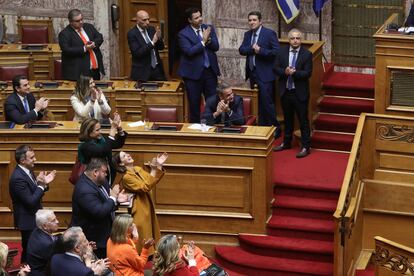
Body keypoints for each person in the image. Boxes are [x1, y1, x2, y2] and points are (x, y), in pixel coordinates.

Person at [71, 158, 129, 259]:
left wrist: (117, 200)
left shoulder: (101, 181)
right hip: (94, 238)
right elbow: (99, 212)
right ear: (95, 172)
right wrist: (113, 197)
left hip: (105, 233)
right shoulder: (84, 190)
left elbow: (106, 200)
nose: (106, 174)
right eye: (104, 172)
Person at [112, 151, 167, 256]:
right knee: (143, 241)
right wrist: (155, 169)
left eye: (127, 153)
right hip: (140, 210)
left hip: (148, 206)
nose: (128, 155)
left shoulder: (137, 169)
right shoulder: (126, 177)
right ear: (121, 164)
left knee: (152, 239)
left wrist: (157, 167)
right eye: (124, 156)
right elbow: (145, 187)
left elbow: (150, 181)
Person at [8, 145, 56, 263]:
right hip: (27, 220)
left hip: (33, 217)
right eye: (32, 157)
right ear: (22, 160)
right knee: (29, 250)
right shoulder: (17, 178)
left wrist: (43, 184)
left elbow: (35, 192)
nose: (35, 159)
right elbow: (30, 201)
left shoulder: (28, 171)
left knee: (34, 249)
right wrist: (41, 185)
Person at [239, 11, 281, 136]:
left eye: (254, 20)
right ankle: (262, 128)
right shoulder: (247, 34)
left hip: (265, 74)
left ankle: (276, 129)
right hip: (252, 73)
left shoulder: (269, 33)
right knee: (258, 103)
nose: (252, 22)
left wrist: (261, 50)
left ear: (260, 21)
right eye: (250, 20)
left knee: (267, 102)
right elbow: (241, 50)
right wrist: (253, 49)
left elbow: (276, 52)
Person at [273, 29, 313, 158]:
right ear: (289, 39)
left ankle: (306, 146)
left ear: (301, 40)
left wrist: (294, 72)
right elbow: (275, 68)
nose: (295, 40)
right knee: (288, 119)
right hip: (286, 91)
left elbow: (308, 73)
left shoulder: (306, 54)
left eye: (297, 38)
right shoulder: (281, 52)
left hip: (299, 92)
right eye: (292, 38)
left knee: (303, 120)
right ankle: (286, 143)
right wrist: (285, 71)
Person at [177, 7, 220, 123]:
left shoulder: (208, 28)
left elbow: (216, 47)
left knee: (213, 103)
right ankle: (196, 131)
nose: (200, 19)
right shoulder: (183, 34)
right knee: (194, 105)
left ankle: (213, 127)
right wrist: (203, 41)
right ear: (189, 20)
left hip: (210, 72)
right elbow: (189, 52)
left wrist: (209, 40)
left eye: (200, 16)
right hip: (192, 75)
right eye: (196, 18)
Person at [78, 114, 127, 184]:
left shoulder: (101, 139)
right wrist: (112, 129)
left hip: (107, 176)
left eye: (100, 128)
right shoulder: (85, 146)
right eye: (97, 130)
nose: (100, 131)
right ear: (89, 133)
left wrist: (119, 129)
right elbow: (102, 151)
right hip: (94, 180)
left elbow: (118, 144)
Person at [58, 9, 104, 81]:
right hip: (78, 73)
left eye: (82, 19)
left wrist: (94, 43)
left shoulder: (89, 27)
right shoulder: (64, 34)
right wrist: (84, 48)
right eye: (77, 21)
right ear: (70, 22)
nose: (81, 22)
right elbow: (66, 50)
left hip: (95, 70)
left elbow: (99, 37)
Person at [128, 10, 166, 81]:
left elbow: (161, 47)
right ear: (137, 20)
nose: (148, 22)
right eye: (144, 20)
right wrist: (152, 42)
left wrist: (159, 38)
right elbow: (138, 53)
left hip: (157, 70)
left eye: (148, 19)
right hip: (142, 72)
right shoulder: (132, 34)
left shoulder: (151, 29)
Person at [26, 209, 60, 276]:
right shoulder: (47, 244)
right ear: (44, 226)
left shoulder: (37, 230)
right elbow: (57, 262)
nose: (57, 221)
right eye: (53, 220)